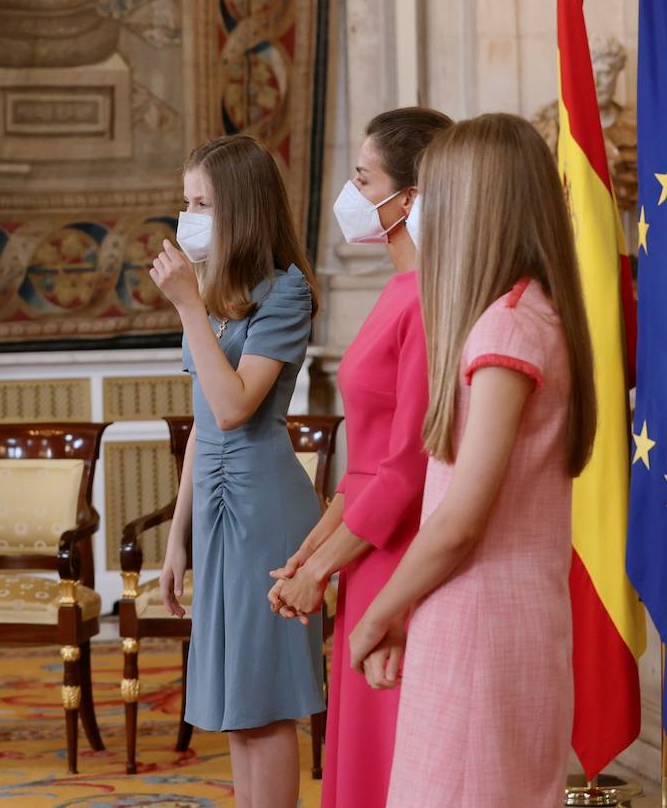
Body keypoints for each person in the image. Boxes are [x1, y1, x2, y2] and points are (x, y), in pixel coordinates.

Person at [348, 113, 594, 807]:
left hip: (477, 629)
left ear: (473, 204)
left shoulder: (506, 325)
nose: (421, 211)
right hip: (504, 620)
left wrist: (376, 617)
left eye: (433, 194)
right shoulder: (532, 310)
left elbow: (460, 519)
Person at [266, 107, 452, 808]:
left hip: (399, 552)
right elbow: (363, 462)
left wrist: (321, 569)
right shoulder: (396, 290)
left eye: (363, 177)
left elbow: (404, 469)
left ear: (410, 197)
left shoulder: (431, 298)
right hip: (364, 552)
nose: (353, 194)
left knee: (389, 757)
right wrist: (308, 559)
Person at [150, 135, 325, 808]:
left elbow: (232, 410)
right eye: (185, 201)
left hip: (267, 511)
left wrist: (188, 306)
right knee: (235, 708)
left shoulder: (284, 292)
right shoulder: (218, 296)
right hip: (220, 514)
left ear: (242, 211)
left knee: (267, 704)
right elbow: (200, 427)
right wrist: (177, 536)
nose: (187, 217)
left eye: (203, 204)